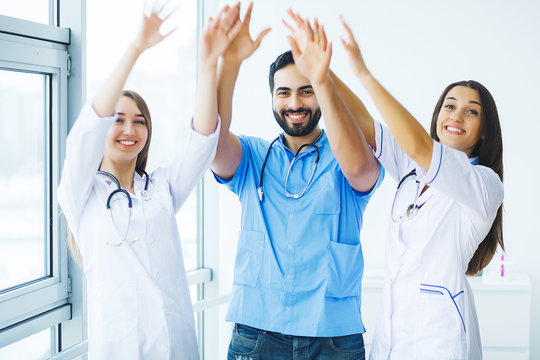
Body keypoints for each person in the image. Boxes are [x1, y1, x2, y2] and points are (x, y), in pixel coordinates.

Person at [57, 3, 242, 358]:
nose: (130, 129)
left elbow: (203, 141)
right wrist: (136, 48)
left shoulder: (160, 189)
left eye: (140, 121)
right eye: (119, 119)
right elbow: (88, 125)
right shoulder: (80, 193)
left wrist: (207, 62)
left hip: (178, 348)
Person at [212, 4, 383, 359]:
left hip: (332, 336)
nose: (295, 103)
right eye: (284, 92)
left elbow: (362, 170)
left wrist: (323, 77)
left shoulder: (345, 155)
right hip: (258, 332)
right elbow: (210, 145)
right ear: (272, 98)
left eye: (307, 91)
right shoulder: (253, 157)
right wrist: (229, 64)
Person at [332, 16, 504, 359]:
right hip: (392, 332)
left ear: (484, 131)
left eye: (471, 112)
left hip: (440, 340)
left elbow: (417, 145)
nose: (455, 116)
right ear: (438, 113)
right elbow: (366, 124)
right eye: (449, 106)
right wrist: (323, 75)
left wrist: (365, 74)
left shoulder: (485, 184)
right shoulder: (413, 170)